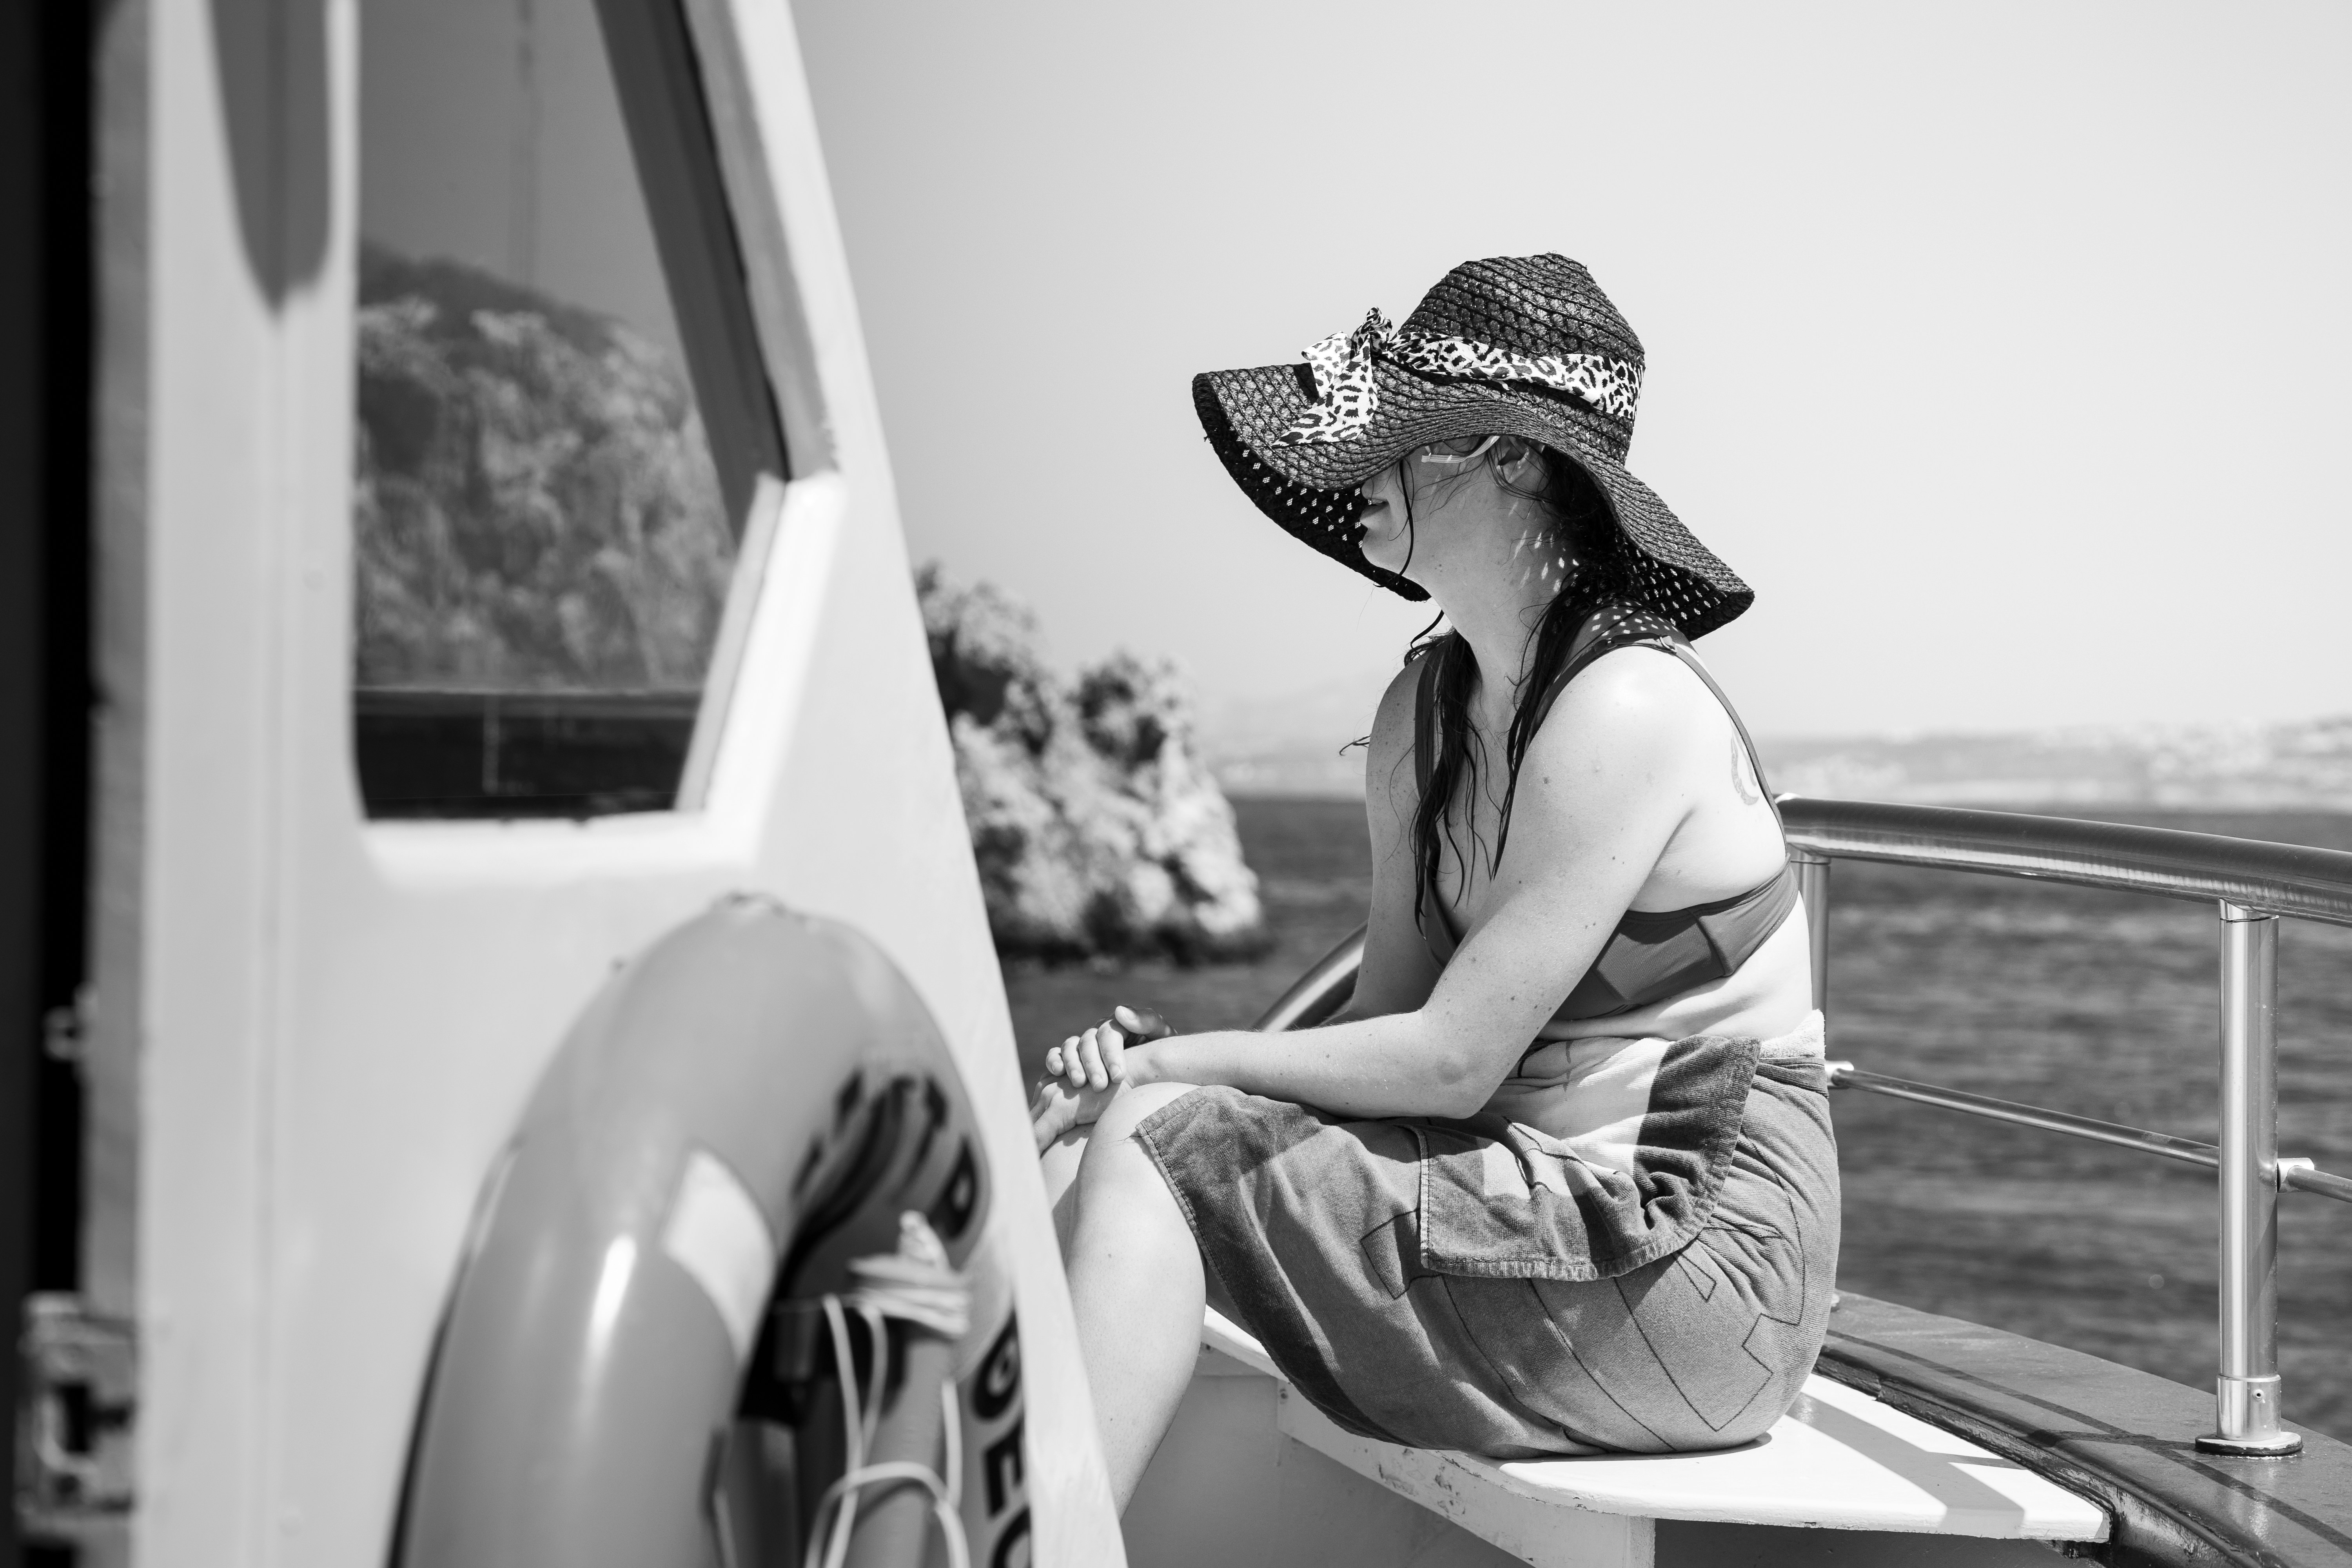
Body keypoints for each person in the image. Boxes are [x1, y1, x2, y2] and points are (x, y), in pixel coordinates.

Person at [1030, 254, 1837, 1508]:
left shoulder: (1626, 704)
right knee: (1094, 1147)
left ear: (1512, 457)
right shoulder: (1427, 712)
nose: (1353, 473)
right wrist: (1159, 1073)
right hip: (1541, 1204)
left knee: (1156, 1133)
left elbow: (1454, 1063)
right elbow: (1387, 1035)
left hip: (1690, 1261)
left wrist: (1178, 1067)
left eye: (1392, 442)